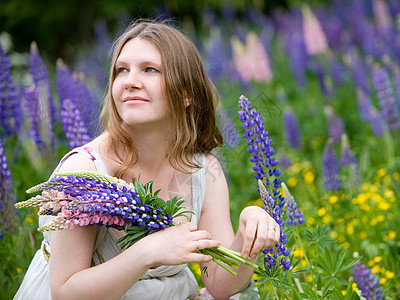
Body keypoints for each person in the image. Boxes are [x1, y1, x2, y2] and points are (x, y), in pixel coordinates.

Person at [14, 19, 280, 300]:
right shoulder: (84, 173)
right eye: (121, 70)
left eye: (150, 69)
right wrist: (147, 251)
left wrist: (248, 235)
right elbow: (65, 293)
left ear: (187, 93)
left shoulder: (202, 168)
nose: (130, 81)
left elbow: (220, 286)